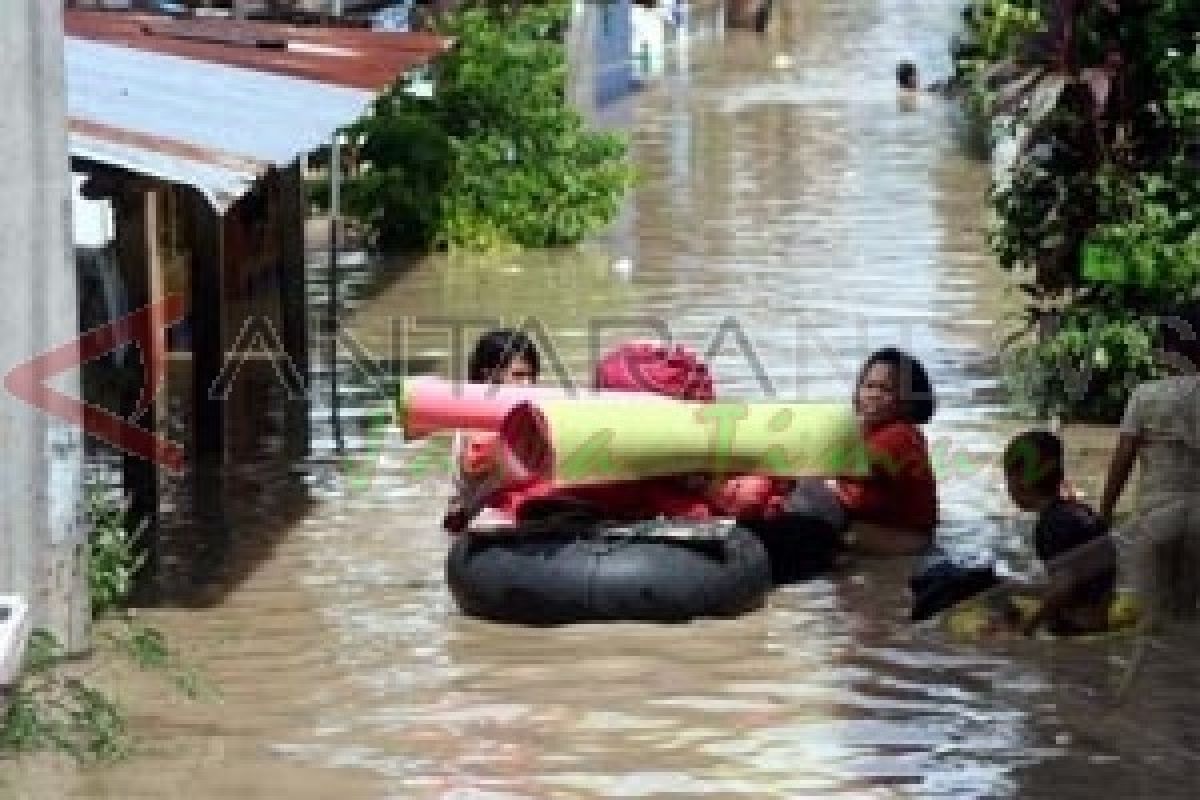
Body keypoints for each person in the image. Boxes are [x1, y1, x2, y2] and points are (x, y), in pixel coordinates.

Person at [1099, 308, 1200, 627]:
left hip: (1156, 518)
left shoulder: (1146, 396)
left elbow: (1122, 462)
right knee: (1187, 620)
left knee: (1151, 625)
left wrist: (1104, 514)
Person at [1003, 430, 1116, 635]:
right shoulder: (1082, 511)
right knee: (1006, 588)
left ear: (1020, 480)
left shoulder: (1050, 525)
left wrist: (1028, 626)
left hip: (1074, 628)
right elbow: (1082, 578)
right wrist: (1015, 588)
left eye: (1008, 477)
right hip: (1098, 620)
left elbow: (1064, 587)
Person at [831, 348, 937, 555]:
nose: (874, 395)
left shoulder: (900, 436)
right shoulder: (867, 431)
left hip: (902, 538)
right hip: (876, 527)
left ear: (909, 402)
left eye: (886, 390)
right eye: (869, 386)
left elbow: (843, 462)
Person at [442, 329, 540, 533]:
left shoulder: (522, 417)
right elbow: (525, 479)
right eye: (519, 375)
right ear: (489, 375)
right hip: (475, 522)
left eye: (532, 376)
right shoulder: (479, 426)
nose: (528, 384)